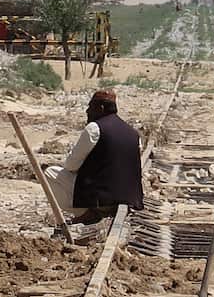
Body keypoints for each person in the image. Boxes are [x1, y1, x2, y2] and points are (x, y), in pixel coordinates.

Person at [43, 89, 143, 222]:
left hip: (101, 198)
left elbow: (70, 166)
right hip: (128, 198)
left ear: (100, 108)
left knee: (51, 173)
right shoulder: (133, 133)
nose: (87, 111)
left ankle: (84, 214)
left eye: (90, 107)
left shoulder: (95, 128)